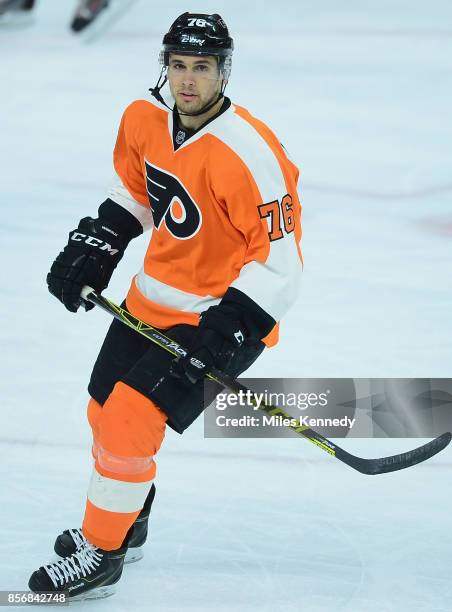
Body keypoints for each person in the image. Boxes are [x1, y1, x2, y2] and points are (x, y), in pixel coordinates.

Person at [28, 12, 303, 601]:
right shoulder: (143, 119)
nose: (187, 80)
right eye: (178, 65)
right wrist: (97, 243)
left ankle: (102, 553)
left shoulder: (250, 154)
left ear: (223, 72)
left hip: (216, 320)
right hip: (149, 301)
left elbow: (280, 263)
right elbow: (136, 190)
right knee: (102, 411)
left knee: (129, 421)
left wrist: (226, 336)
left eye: (202, 67)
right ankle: (127, 520)